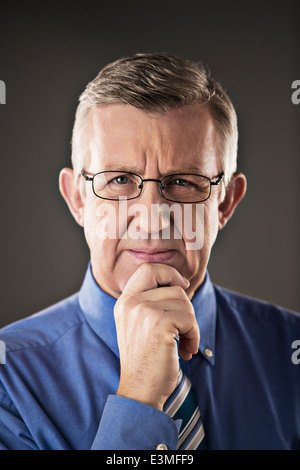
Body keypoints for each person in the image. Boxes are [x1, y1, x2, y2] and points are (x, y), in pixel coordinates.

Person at [0, 52, 299, 451]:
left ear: (225, 204)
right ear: (77, 199)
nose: (154, 219)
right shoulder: (8, 380)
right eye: (119, 179)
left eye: (183, 182)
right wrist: (139, 396)